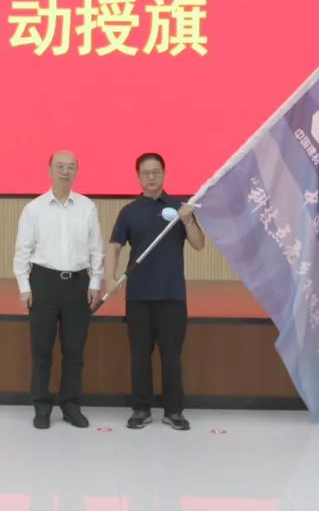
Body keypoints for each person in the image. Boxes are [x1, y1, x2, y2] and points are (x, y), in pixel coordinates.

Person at [106, 152, 205, 431]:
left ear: (164, 173)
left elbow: (199, 244)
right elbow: (114, 247)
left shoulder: (180, 207)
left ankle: (174, 411)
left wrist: (188, 220)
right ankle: (141, 409)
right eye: (146, 173)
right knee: (140, 356)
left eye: (156, 172)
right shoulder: (129, 211)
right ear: (138, 177)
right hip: (138, 296)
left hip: (172, 295)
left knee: (171, 356)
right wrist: (110, 277)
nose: (151, 177)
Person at [13, 150, 104, 429]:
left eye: (70, 167)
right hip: (44, 283)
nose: (65, 171)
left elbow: (96, 249)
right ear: (49, 170)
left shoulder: (87, 207)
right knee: (41, 350)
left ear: (76, 171)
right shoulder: (34, 209)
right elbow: (22, 251)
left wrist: (95, 283)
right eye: (60, 166)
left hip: (77, 284)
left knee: (74, 350)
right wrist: (24, 287)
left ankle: (70, 405)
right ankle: (42, 407)